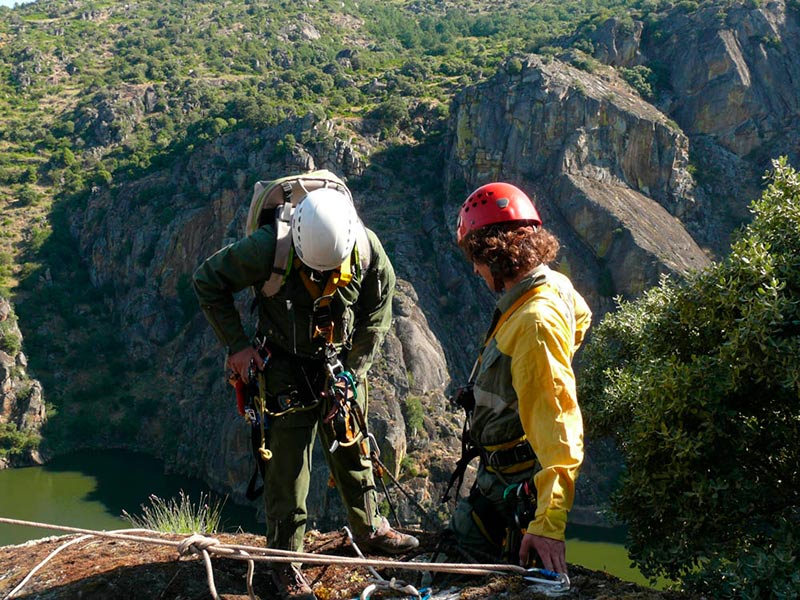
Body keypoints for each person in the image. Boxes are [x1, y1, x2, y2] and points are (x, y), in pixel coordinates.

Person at [193, 184, 419, 600]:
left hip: (339, 364)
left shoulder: (365, 248)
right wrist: (238, 345)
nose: (326, 278)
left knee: (353, 447)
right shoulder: (267, 249)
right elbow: (208, 280)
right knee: (288, 471)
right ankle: (284, 561)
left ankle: (370, 528)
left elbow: (377, 314)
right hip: (282, 364)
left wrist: (352, 373)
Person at [448, 182, 591, 576]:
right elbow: (581, 315)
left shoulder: (535, 325)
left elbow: (560, 432)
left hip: (517, 490)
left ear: (493, 254)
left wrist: (547, 526)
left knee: (469, 573)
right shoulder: (551, 286)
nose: (475, 270)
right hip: (500, 476)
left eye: (476, 258)